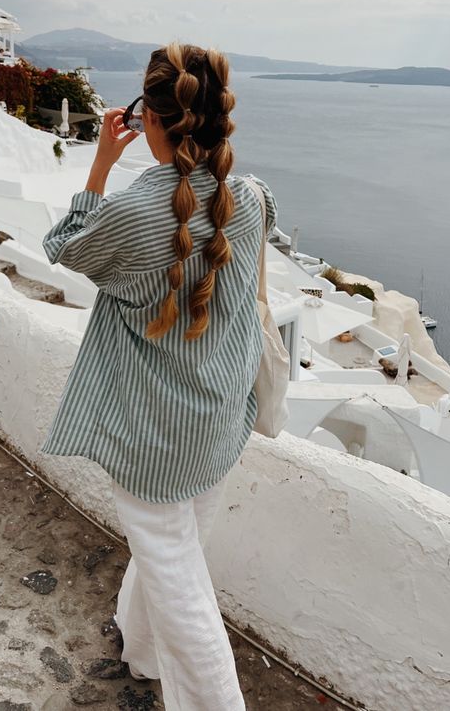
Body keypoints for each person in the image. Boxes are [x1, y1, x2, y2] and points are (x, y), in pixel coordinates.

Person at [38, 42, 276, 710]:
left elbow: (63, 245)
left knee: (179, 578)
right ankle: (141, 650)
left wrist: (101, 162)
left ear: (154, 119)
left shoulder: (136, 216)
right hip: (219, 416)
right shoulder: (246, 200)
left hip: (155, 435)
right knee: (173, 548)